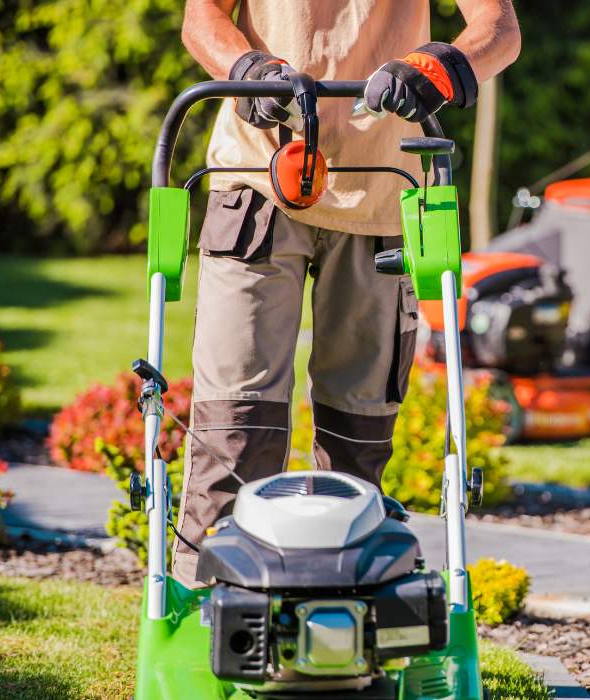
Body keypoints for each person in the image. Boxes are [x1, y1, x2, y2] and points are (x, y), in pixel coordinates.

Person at [173, 0, 520, 586]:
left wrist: (439, 67)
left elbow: (500, 29)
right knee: (235, 424)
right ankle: (201, 605)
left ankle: (348, 605)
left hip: (383, 188)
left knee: (357, 435)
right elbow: (201, 18)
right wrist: (248, 68)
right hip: (258, 178)